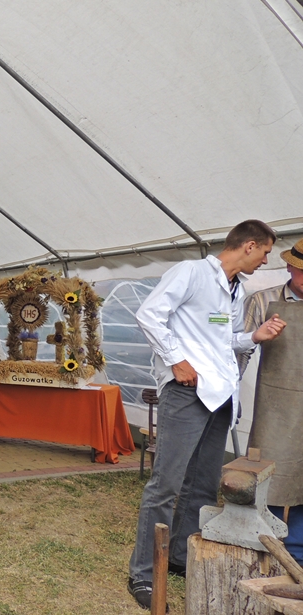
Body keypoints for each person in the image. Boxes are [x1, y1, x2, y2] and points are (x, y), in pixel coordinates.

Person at [128, 220, 287, 609]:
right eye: (265, 252)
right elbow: (149, 314)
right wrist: (176, 360)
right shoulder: (192, 272)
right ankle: (143, 573)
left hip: (219, 397)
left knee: (201, 486)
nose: (266, 260)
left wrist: (253, 336)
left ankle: (179, 557)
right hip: (187, 392)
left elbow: (222, 338)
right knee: (166, 486)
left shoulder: (235, 289)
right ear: (249, 246)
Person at [240, 238, 303, 567]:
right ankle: (266, 547)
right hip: (276, 407)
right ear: (290, 266)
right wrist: (228, 395)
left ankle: (298, 553)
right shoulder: (263, 300)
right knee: (271, 476)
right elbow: (241, 350)